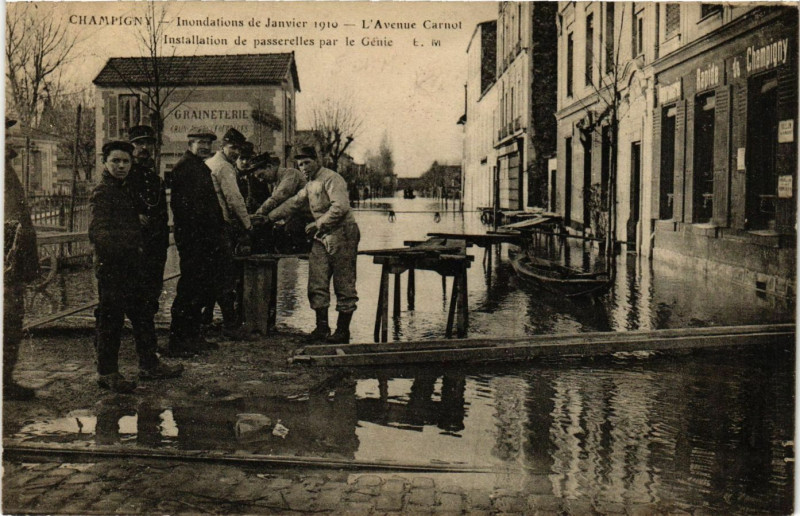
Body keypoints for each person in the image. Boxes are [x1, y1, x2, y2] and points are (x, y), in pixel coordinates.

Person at [89, 141, 183, 393]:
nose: (121, 166)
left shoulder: (123, 189)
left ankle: (149, 365)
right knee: (111, 321)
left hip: (131, 267)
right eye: (115, 161)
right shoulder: (103, 192)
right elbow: (99, 233)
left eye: (125, 162)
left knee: (142, 316)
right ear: (104, 163)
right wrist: (124, 249)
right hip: (113, 269)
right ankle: (107, 373)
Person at [262, 146, 360, 344]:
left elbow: (340, 207)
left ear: (317, 161)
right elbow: (294, 203)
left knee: (344, 283)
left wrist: (317, 223)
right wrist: (267, 217)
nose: (304, 168)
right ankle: (322, 328)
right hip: (322, 236)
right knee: (317, 282)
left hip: (343, 233)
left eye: (307, 163)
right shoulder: (310, 184)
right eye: (300, 164)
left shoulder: (332, 179)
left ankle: (343, 331)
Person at [168, 129, 228, 356]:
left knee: (198, 288)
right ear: (190, 143)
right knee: (189, 290)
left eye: (209, 143)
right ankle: (178, 341)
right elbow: (185, 209)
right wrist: (200, 236)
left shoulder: (198, 167)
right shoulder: (185, 168)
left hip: (202, 239)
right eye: (200, 142)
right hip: (194, 239)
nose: (205, 147)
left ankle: (192, 336)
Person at [4, 119, 40, 400]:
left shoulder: (7, 168)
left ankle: (5, 380)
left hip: (13, 265)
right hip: (6, 263)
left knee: (12, 321)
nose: (9, 139)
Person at [205, 128, 252, 337]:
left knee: (210, 275)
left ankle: (205, 319)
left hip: (207, 226)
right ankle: (231, 326)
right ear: (223, 146)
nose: (235, 152)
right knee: (225, 275)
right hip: (220, 225)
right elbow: (234, 199)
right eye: (232, 147)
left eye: (238, 149)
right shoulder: (224, 167)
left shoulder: (210, 163)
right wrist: (248, 225)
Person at [126, 125, 169, 323]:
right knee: (130, 295)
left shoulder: (154, 179)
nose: (144, 147)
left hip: (154, 246)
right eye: (139, 143)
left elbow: (161, 213)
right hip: (133, 246)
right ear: (131, 146)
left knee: (151, 294)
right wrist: (133, 215)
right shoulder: (124, 176)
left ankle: (146, 343)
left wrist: (161, 243)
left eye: (148, 143)